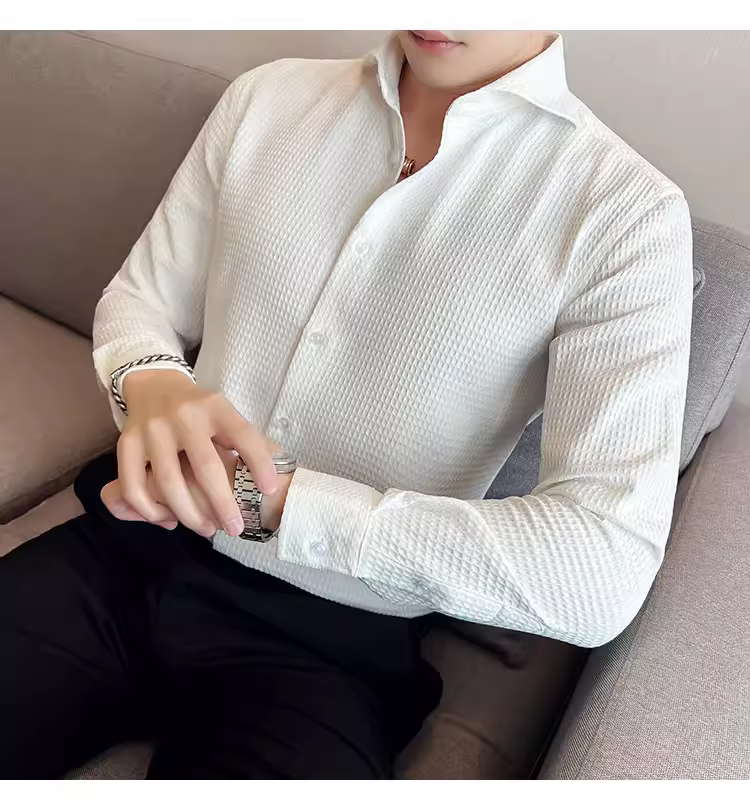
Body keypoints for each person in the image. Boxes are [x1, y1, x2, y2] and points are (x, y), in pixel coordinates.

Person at [0, 30, 693, 779]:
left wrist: (280, 504)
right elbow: (141, 299)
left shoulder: (625, 213)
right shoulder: (267, 97)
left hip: (330, 640)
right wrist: (152, 383)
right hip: (130, 546)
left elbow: (602, 563)